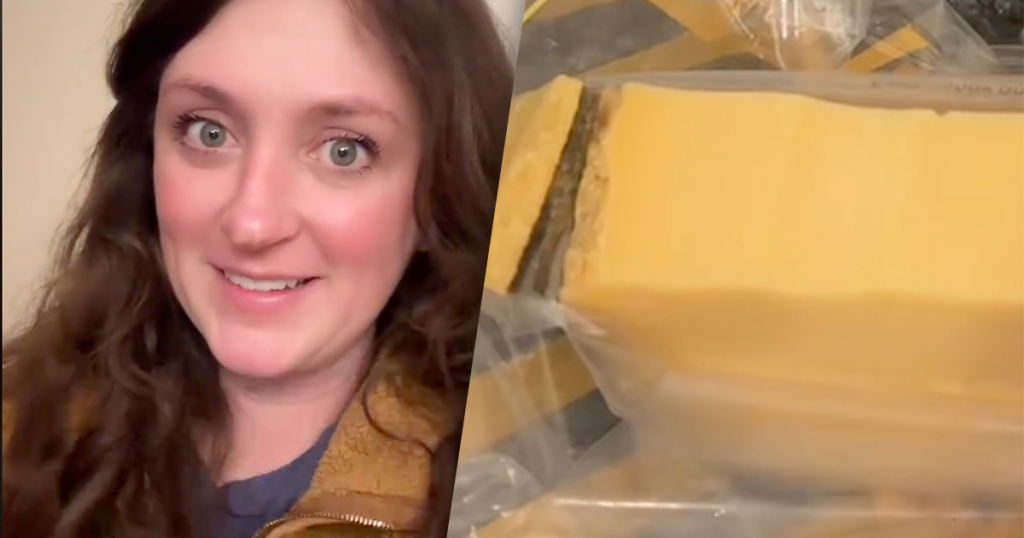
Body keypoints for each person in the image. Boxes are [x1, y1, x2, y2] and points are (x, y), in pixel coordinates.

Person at [0, 0, 513, 536]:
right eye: (209, 132)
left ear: (440, 194)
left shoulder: (512, 490)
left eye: (344, 150)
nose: (252, 224)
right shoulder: (22, 427)